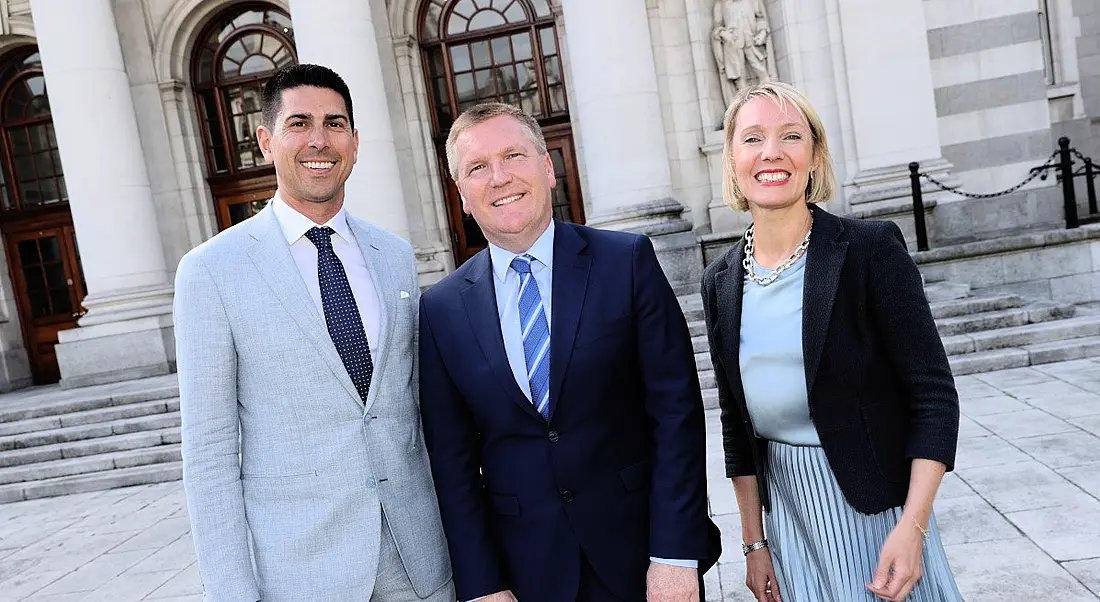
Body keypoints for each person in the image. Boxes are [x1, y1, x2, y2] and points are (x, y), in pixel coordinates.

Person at [418, 102, 722, 602]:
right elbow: (451, 466)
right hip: (527, 575)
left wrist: (674, 555)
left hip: (643, 560)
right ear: (463, 197)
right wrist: (482, 586)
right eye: (477, 167)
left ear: (547, 168)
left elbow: (677, 417)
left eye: (514, 155)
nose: (499, 178)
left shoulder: (626, 262)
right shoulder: (441, 309)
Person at [174, 64, 453, 602]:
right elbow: (208, 451)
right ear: (266, 141)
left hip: (420, 565)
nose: (319, 140)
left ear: (354, 142)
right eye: (299, 123)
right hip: (302, 572)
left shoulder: (393, 256)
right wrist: (232, 592)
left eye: (335, 123)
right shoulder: (211, 270)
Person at [701, 80, 963, 602]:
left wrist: (912, 529)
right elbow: (736, 423)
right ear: (731, 160)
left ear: (815, 155)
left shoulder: (869, 251)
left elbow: (934, 398)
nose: (771, 153)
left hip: (877, 511)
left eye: (790, 136)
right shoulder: (721, 280)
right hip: (788, 513)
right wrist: (754, 544)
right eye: (752, 138)